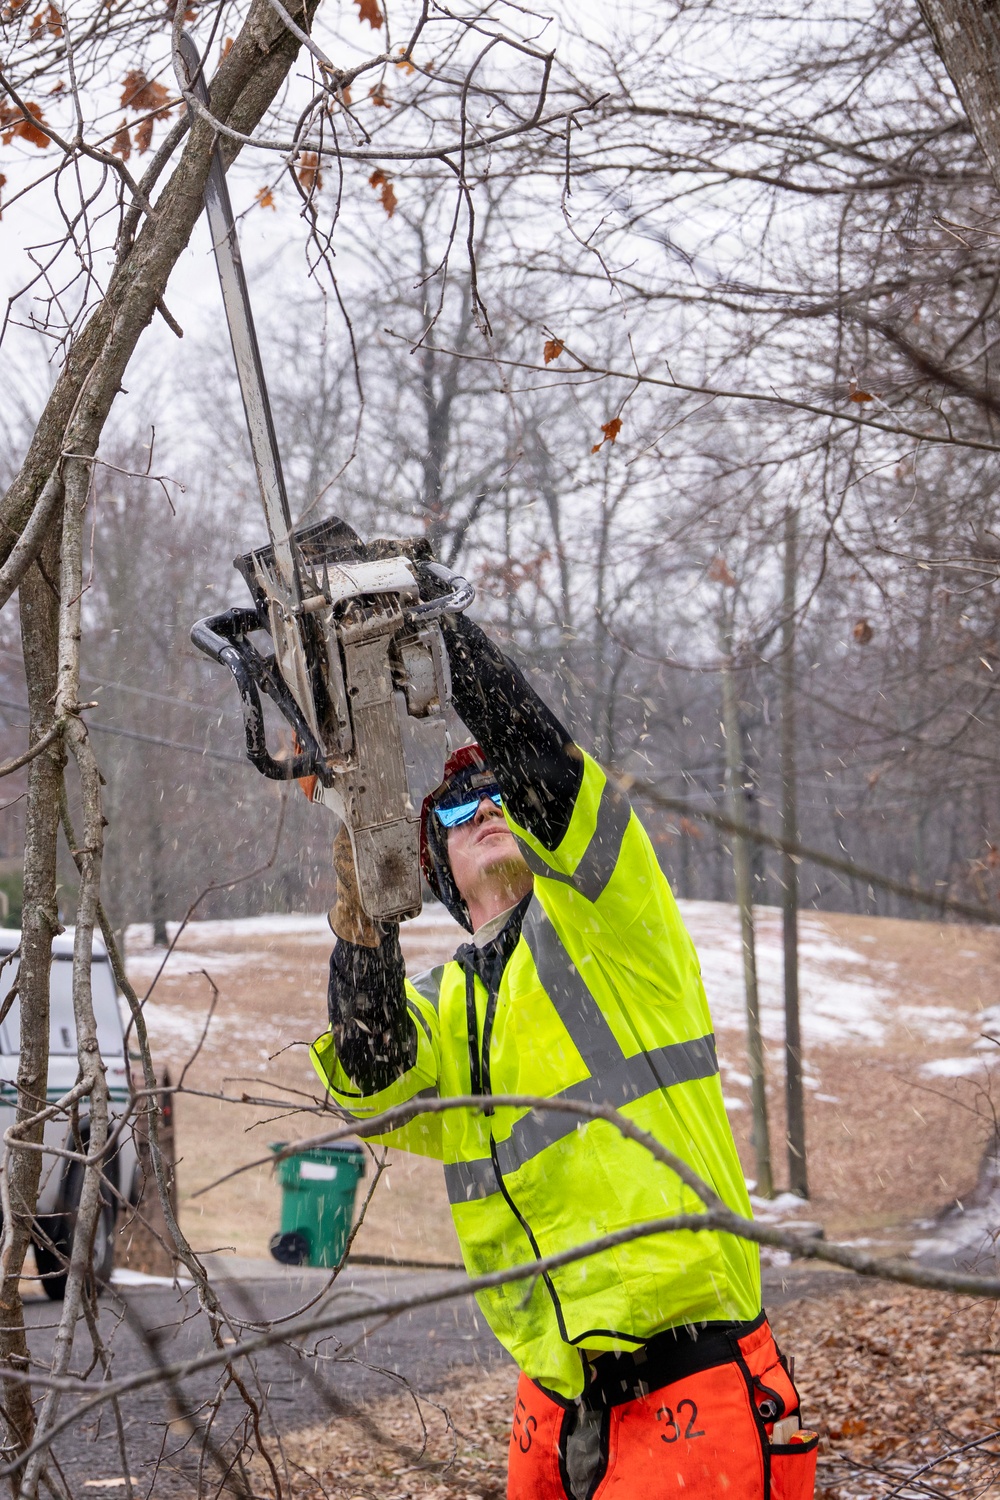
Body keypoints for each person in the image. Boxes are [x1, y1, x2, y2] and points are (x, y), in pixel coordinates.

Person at [311, 612, 818, 1500]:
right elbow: (372, 1072)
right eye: (461, 810)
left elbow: (544, 766)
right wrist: (363, 912)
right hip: (551, 1407)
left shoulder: (614, 921)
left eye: (500, 795)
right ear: (433, 866)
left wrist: (436, 631)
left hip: (691, 1380)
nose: (491, 809)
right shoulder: (449, 1006)